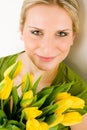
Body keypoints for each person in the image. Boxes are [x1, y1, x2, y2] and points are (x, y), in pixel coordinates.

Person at [0, 0, 87, 129]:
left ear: (73, 36)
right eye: (36, 32)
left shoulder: (76, 93)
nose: (47, 49)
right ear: (22, 30)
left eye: (62, 33)